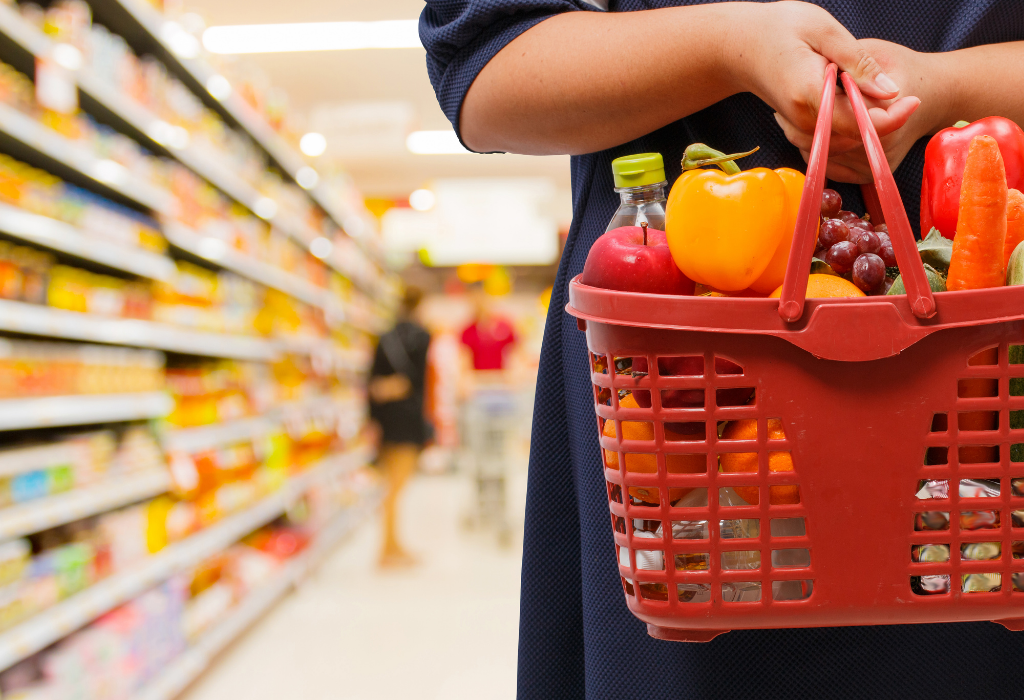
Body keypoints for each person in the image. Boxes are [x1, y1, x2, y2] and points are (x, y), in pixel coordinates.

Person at [420, 2, 1024, 698]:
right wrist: (729, 47)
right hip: (684, 393)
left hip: (986, 356)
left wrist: (946, 84)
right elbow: (481, 70)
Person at [368, 286, 431, 568]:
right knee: (396, 488)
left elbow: (372, 384)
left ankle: (392, 545)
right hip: (408, 421)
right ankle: (388, 549)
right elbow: (422, 384)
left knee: (390, 486)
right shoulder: (423, 337)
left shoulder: (384, 337)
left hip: (385, 420)